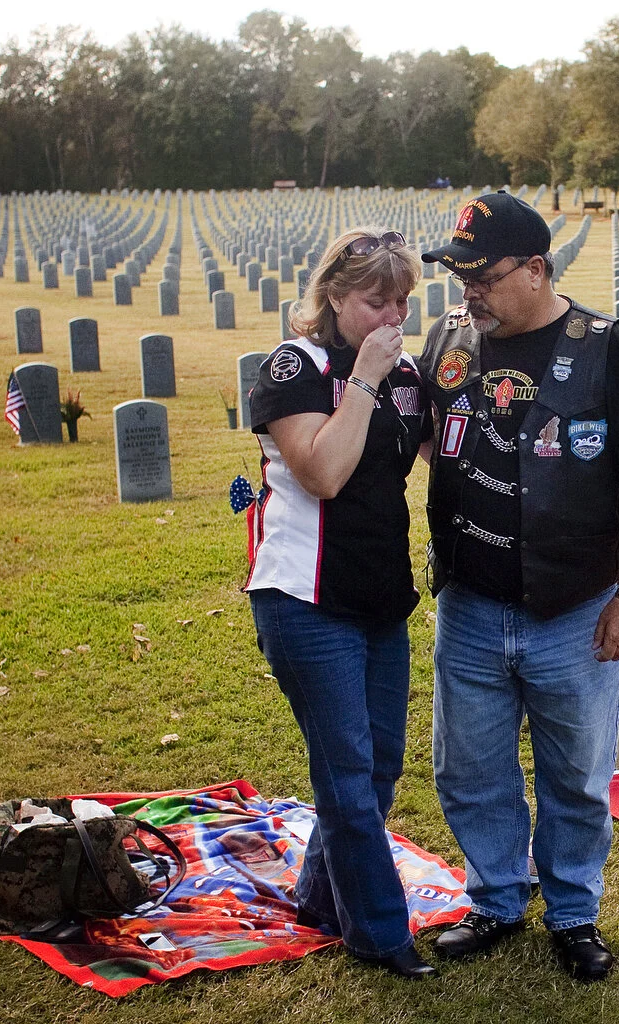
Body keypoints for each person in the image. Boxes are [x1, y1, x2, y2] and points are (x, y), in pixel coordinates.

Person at [417, 191, 619, 982]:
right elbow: (432, 439)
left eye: (483, 276)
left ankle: (572, 912)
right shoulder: (449, 343)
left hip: (575, 611)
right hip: (470, 603)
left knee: (576, 773)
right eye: (459, 276)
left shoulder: (607, 350)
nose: (469, 293)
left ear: (536, 268)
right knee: (468, 766)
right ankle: (498, 899)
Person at [244, 227, 437, 980]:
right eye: (374, 300)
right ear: (332, 295)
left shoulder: (406, 369)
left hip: (379, 597)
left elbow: (434, 454)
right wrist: (364, 379)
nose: (392, 316)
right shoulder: (295, 366)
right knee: (348, 778)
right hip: (303, 599)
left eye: (402, 301)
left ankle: (322, 895)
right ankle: (381, 933)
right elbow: (322, 472)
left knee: (380, 767)